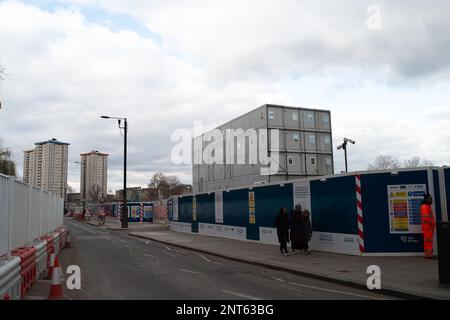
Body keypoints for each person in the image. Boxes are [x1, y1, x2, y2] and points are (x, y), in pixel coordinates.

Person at [420, 194, 436, 259]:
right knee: (428, 240)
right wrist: (432, 223)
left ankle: (429, 254)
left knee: (428, 240)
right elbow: (426, 217)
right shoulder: (424, 207)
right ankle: (428, 255)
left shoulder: (427, 206)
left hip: (429, 226)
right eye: (430, 198)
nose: (431, 200)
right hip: (427, 226)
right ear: (426, 199)